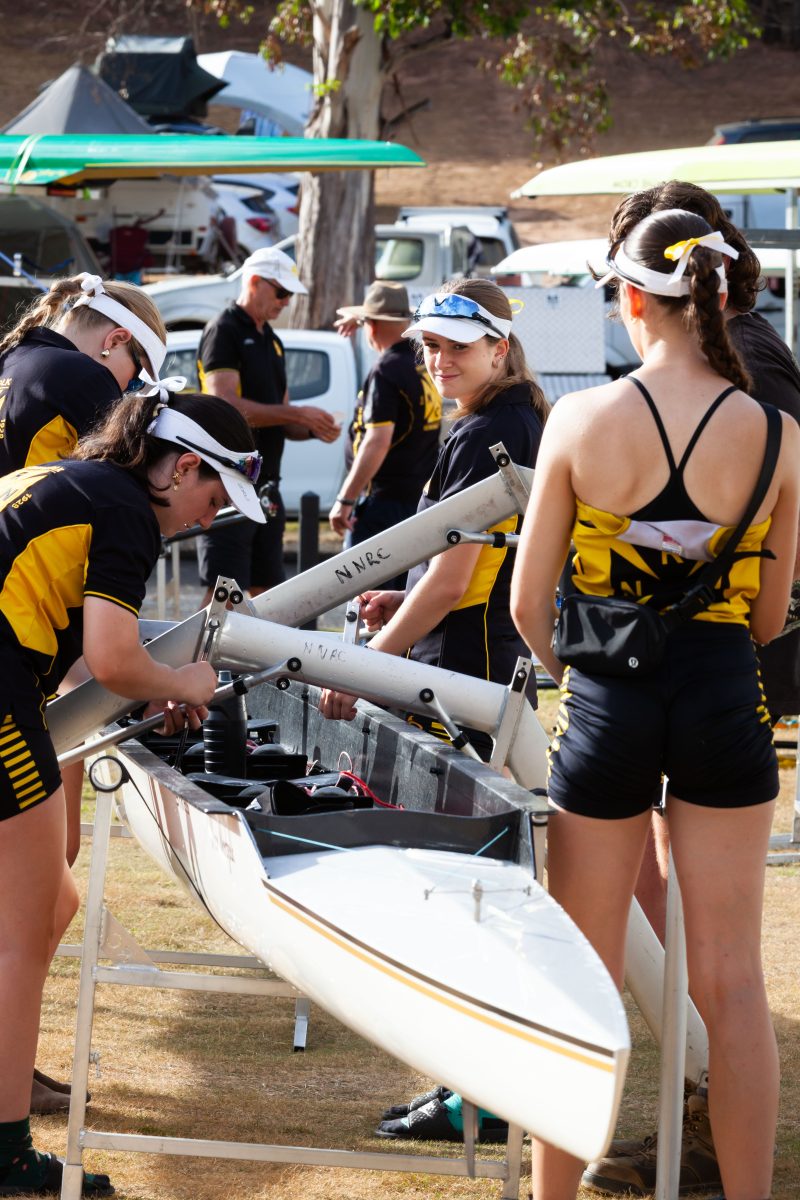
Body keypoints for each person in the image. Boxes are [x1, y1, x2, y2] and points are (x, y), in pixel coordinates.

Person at [510, 208, 800, 1200]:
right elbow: (769, 617)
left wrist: (580, 675)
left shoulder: (580, 420)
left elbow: (527, 605)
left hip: (607, 700)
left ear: (632, 298)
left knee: (579, 972)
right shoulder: (776, 433)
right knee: (732, 980)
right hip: (722, 695)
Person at [0, 387, 264, 1198]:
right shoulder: (126, 514)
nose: (208, 518)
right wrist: (184, 680)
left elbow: (81, 647)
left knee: (52, 905)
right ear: (181, 467)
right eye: (213, 497)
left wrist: (151, 687)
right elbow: (114, 658)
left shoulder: (73, 481)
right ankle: (5, 1152)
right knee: (23, 927)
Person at [321, 279, 548, 1143]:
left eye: (456, 345)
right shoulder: (501, 419)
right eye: (428, 344)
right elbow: (453, 570)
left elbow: (455, 582)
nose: (437, 359)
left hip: (466, 679)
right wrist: (398, 599)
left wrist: (366, 664)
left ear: (499, 346)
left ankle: (479, 1097)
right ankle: (468, 1086)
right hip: (476, 668)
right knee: (473, 893)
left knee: (471, 896)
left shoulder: (491, 430)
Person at [195, 246, 340, 606]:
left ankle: (256, 647)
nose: (286, 302)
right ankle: (194, 648)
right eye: (281, 292)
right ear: (255, 282)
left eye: (290, 294)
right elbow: (225, 404)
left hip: (267, 484)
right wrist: (298, 415)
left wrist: (314, 427)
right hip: (228, 481)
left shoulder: (271, 339)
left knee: (268, 593)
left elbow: (282, 416)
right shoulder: (224, 330)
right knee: (222, 593)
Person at [329, 281, 442, 588]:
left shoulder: (386, 370)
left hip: (384, 505)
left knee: (367, 599)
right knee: (402, 597)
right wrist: (365, 319)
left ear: (373, 325)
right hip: (416, 499)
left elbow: (377, 441)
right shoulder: (420, 361)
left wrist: (346, 498)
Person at [0, 272, 167, 474]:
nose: (125, 392)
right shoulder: (86, 376)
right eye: (136, 382)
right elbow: (129, 476)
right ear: (115, 340)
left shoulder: (11, 356)